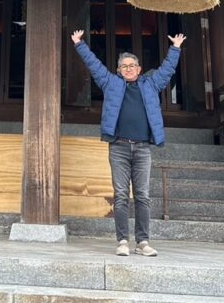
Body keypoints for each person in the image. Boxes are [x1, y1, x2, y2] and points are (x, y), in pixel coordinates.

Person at [70, 28, 186, 257]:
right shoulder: (111, 83)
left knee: (142, 195)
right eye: (124, 66)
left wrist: (175, 48)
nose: (129, 69)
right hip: (119, 147)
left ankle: (143, 241)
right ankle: (122, 240)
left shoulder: (150, 84)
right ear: (119, 70)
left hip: (142, 148)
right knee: (121, 194)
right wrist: (79, 44)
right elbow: (94, 66)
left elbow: (167, 71)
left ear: (139, 69)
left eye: (132, 65)